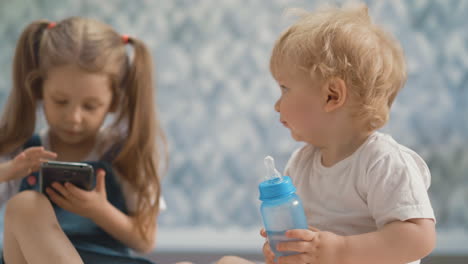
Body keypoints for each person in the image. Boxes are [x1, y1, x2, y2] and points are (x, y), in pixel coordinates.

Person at [217, 3, 436, 264]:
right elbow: (309, 243)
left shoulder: (383, 162)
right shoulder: (301, 164)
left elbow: (419, 239)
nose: (277, 105)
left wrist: (338, 250)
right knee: (228, 262)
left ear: (332, 96)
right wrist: (289, 251)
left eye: (285, 89)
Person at [0, 17, 169, 264]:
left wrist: (98, 211)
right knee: (25, 206)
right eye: (60, 101)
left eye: (90, 106)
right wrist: (7, 171)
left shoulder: (124, 154)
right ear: (39, 90)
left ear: (112, 102)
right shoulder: (22, 154)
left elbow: (145, 240)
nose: (74, 118)